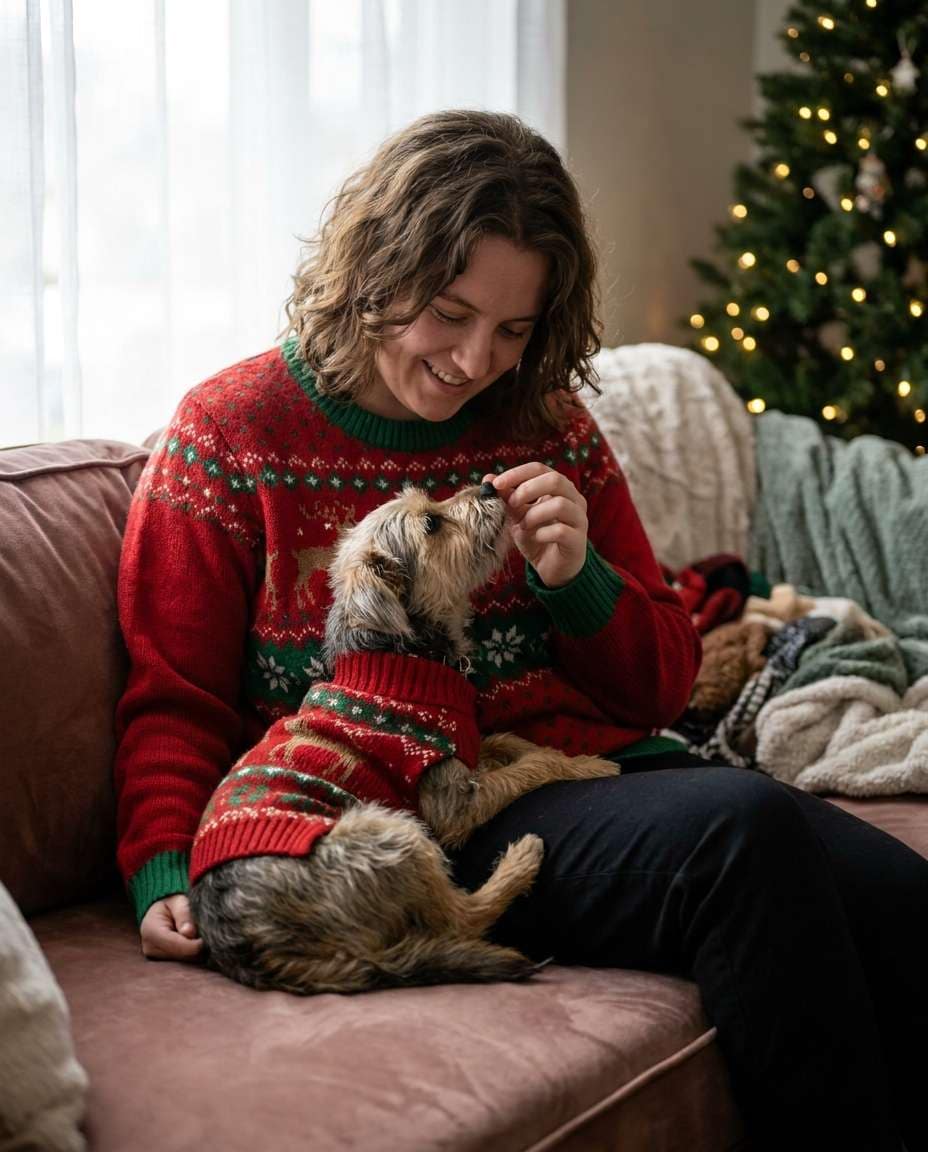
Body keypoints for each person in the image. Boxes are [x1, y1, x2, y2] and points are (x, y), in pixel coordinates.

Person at [113, 109, 925, 1152]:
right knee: (743, 834)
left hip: (592, 771)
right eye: (449, 314)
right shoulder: (229, 436)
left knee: (902, 900)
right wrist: (161, 867)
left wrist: (576, 582)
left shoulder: (547, 422)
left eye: (512, 331)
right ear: (373, 270)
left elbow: (662, 687)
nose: (473, 361)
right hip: (400, 822)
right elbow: (172, 698)